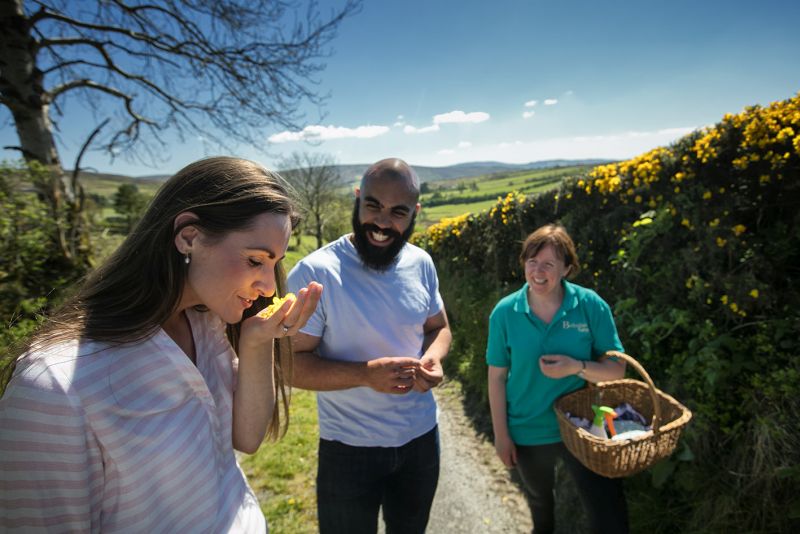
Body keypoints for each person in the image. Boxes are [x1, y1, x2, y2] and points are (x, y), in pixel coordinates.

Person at [0, 156, 322, 533]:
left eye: (274, 264)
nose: (269, 286)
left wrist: (256, 342)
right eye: (255, 260)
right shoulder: (54, 386)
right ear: (189, 236)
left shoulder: (207, 325)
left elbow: (246, 439)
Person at [286, 157, 452, 534]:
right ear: (357, 198)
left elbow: (439, 327)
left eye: (398, 212)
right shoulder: (315, 273)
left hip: (422, 441)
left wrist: (433, 357)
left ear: (415, 214)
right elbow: (287, 365)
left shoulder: (422, 262)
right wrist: (364, 375)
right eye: (373, 206)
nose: (381, 222)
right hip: (348, 451)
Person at [486, 223, 629, 534]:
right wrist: (501, 435)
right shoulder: (505, 313)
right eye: (532, 262)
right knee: (541, 506)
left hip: (583, 427)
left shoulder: (590, 305)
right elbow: (496, 377)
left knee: (609, 512)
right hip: (528, 429)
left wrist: (576, 367)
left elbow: (617, 369)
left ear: (566, 268)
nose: (538, 271)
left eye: (549, 264)